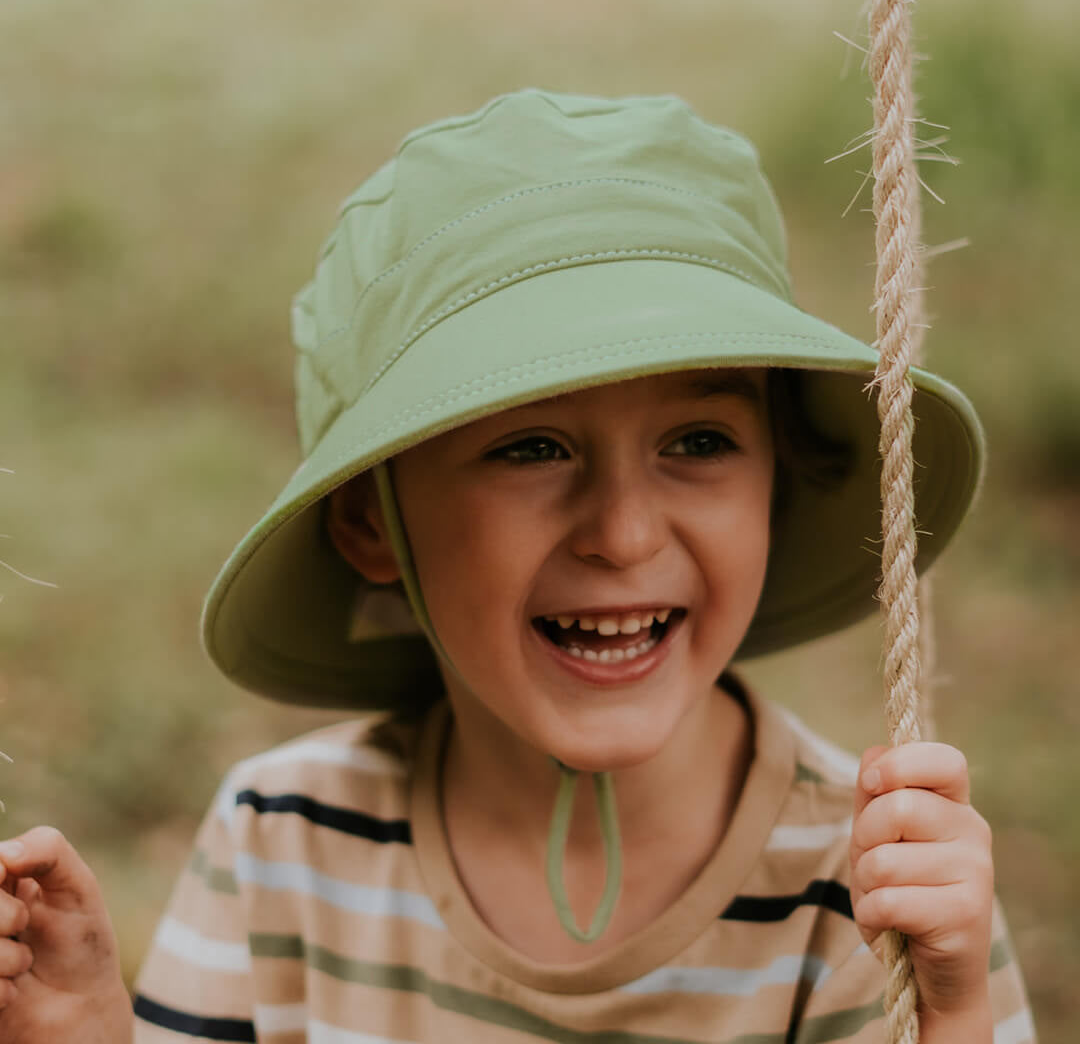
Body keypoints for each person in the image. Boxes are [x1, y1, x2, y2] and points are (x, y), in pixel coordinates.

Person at [0, 90, 1036, 1043]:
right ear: (371, 523)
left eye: (699, 441)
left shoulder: (878, 884)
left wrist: (950, 1017)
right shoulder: (283, 843)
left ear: (778, 477)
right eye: (532, 448)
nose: (624, 534)